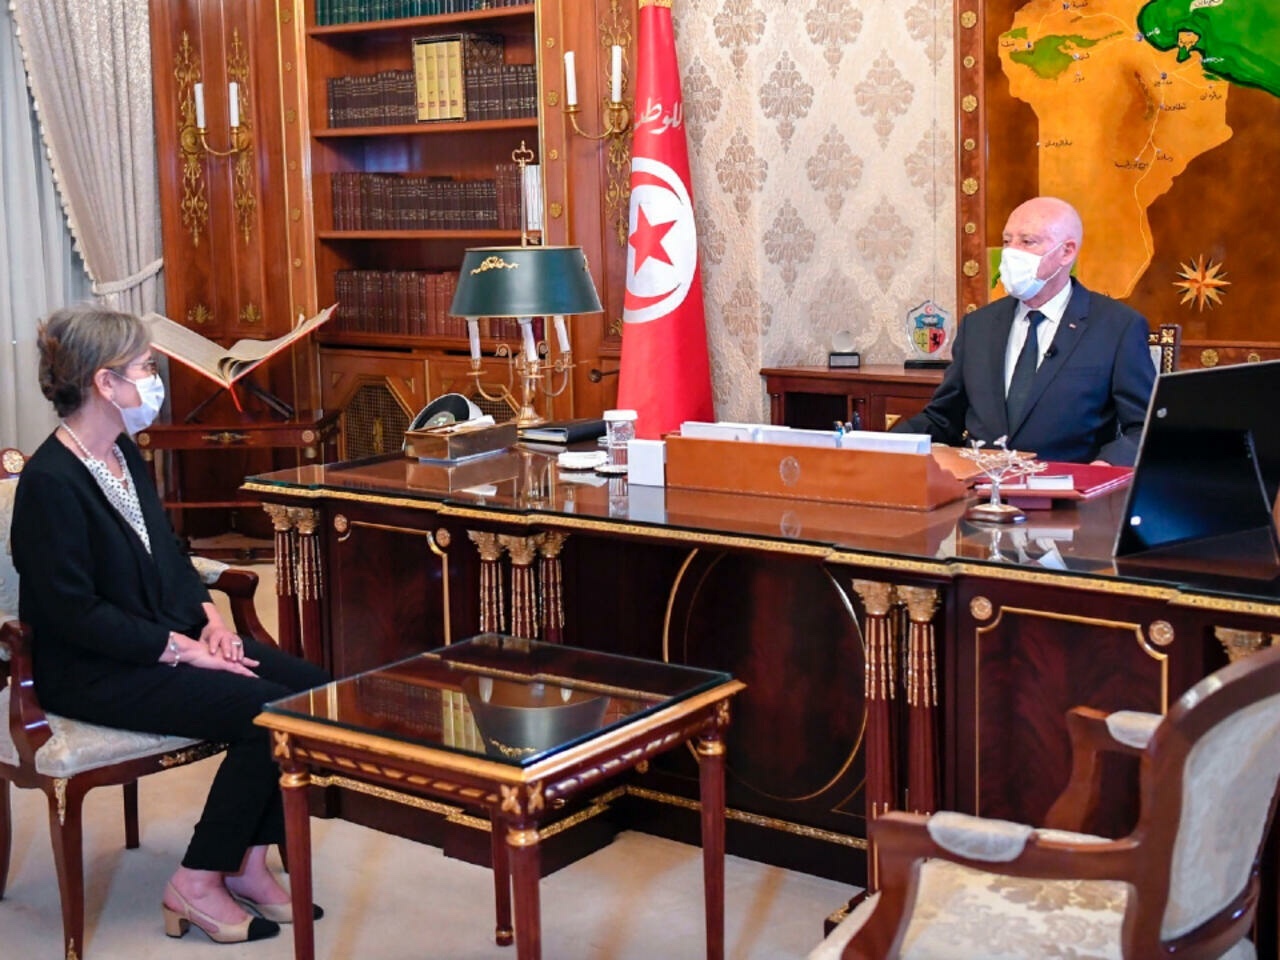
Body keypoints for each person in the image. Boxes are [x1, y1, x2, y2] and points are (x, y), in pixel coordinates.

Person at [11, 305, 330, 945]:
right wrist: (183, 650)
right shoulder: (49, 482)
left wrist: (211, 622)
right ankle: (197, 880)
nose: (154, 381)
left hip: (159, 640)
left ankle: (247, 864)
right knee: (264, 711)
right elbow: (74, 614)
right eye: (144, 368)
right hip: (93, 670)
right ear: (105, 383)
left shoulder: (122, 453)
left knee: (311, 692)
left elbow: (169, 553)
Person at [894, 196, 1155, 465]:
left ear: (1067, 252)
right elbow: (944, 418)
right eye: (1007, 241)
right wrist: (879, 444)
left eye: (1027, 242)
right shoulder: (978, 326)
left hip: (1069, 485)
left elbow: (1145, 428)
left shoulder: (1117, 326)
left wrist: (1102, 469)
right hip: (983, 483)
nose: (1011, 253)